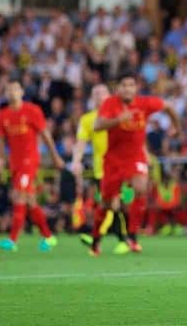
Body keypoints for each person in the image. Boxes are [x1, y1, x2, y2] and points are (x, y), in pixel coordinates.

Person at [90, 72, 181, 256]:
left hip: (136, 157)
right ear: (118, 89)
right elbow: (97, 126)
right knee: (107, 204)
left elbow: (168, 106)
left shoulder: (144, 103)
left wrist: (176, 128)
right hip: (113, 160)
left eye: (131, 85)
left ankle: (132, 236)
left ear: (136, 88)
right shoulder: (110, 103)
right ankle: (96, 239)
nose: (128, 89)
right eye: (124, 85)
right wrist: (118, 120)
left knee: (141, 188)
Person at [0, 78, 65, 252]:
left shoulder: (32, 110)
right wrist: (1, 159)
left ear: (21, 92)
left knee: (19, 197)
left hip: (30, 160)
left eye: (15, 89)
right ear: (5, 94)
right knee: (30, 201)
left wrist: (55, 157)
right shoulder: (2, 115)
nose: (12, 92)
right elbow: (0, 140)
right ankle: (49, 237)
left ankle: (12, 240)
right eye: (9, 90)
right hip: (15, 163)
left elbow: (45, 135)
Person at [72, 84, 130, 255]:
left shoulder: (119, 113)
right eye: (96, 93)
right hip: (100, 169)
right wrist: (76, 160)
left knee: (113, 203)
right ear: (92, 97)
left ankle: (106, 238)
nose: (99, 96)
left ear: (109, 95)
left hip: (120, 166)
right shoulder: (87, 119)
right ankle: (119, 240)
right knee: (108, 204)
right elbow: (80, 143)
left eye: (102, 92)